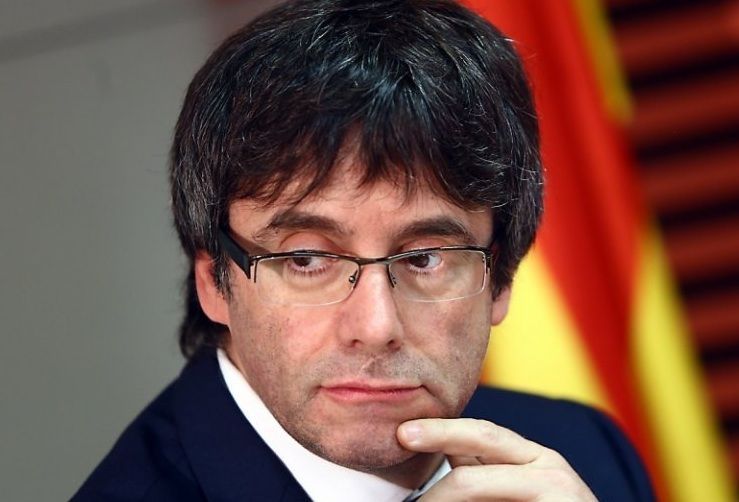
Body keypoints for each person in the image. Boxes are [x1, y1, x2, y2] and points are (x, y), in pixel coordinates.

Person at [74, 0, 655, 500]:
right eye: (306, 259)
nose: (376, 328)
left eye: (424, 258)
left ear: (501, 277)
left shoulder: (584, 453)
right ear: (213, 280)